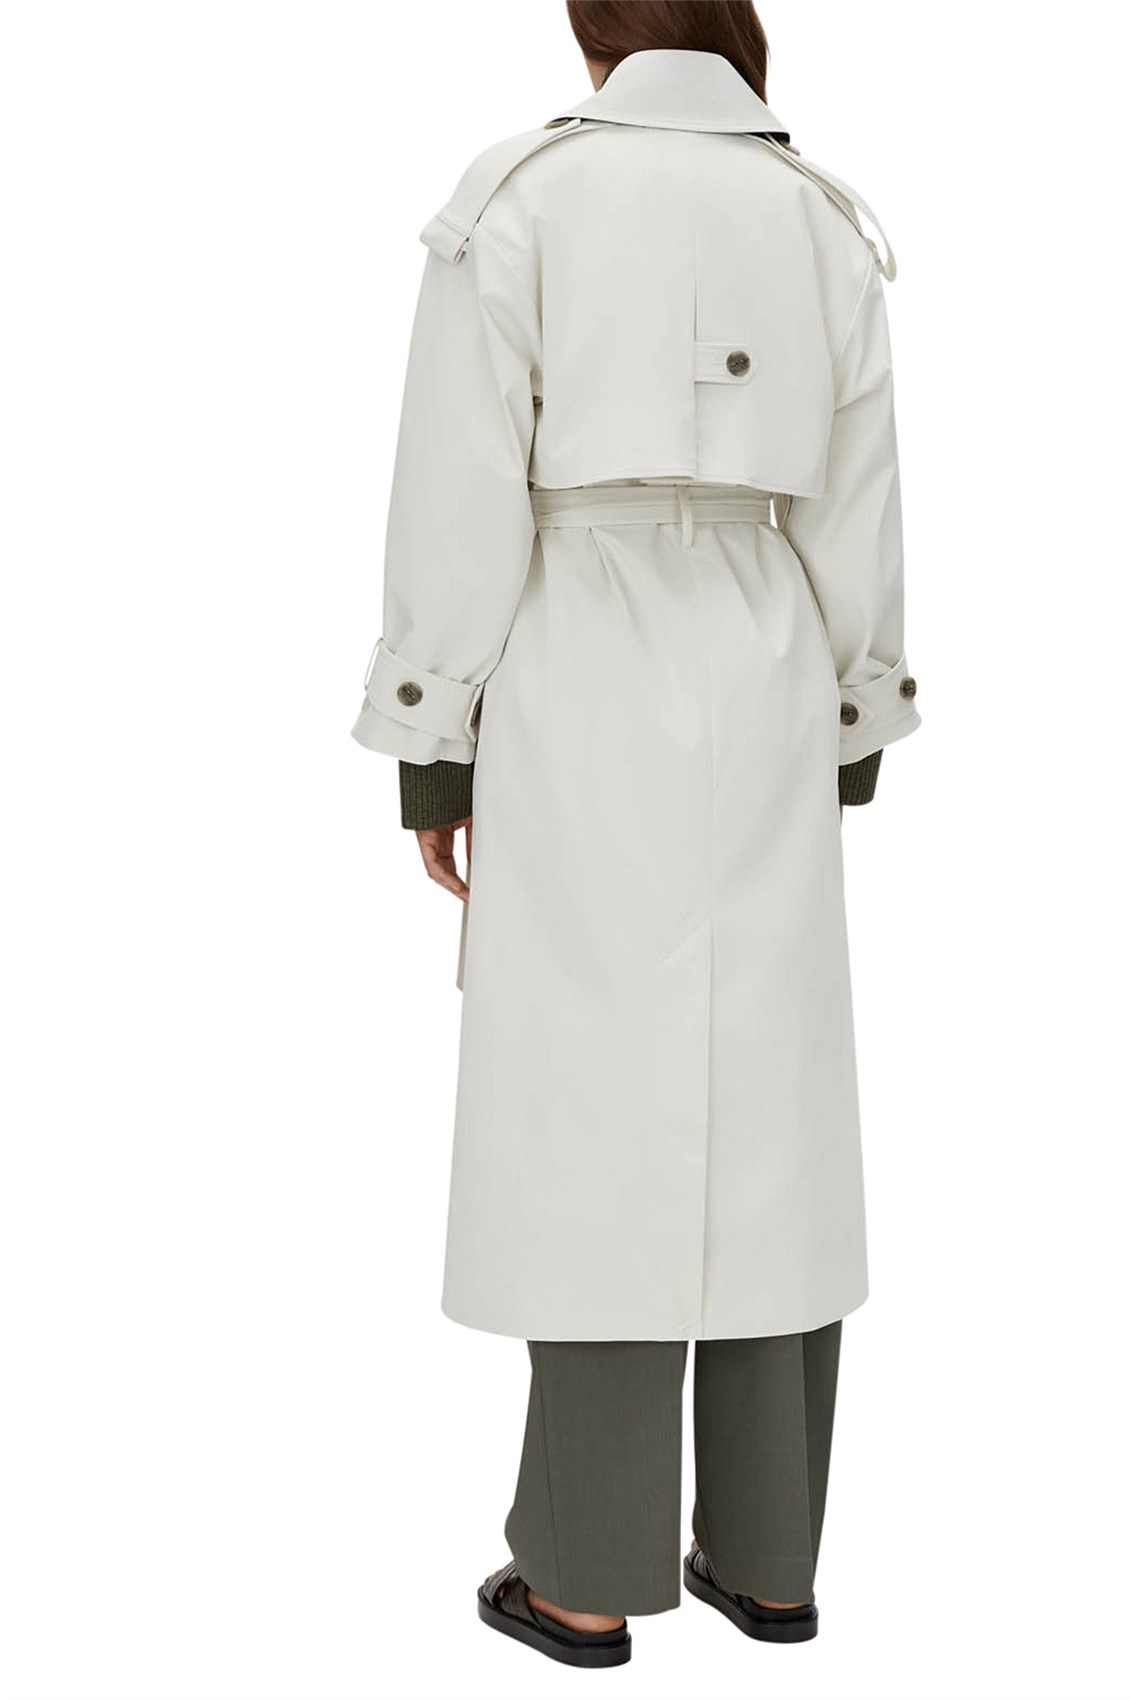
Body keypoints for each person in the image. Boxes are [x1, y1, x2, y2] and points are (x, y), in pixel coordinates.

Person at [351, 0, 920, 1669]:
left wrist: (433, 744)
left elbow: (456, 487)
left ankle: (586, 1572)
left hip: (575, 660)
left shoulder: (518, 199)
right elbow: (861, 492)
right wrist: (856, 712)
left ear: (593, 25)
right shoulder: (818, 215)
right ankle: (770, 1557)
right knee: (773, 1112)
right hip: (768, 645)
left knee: (588, 1114)